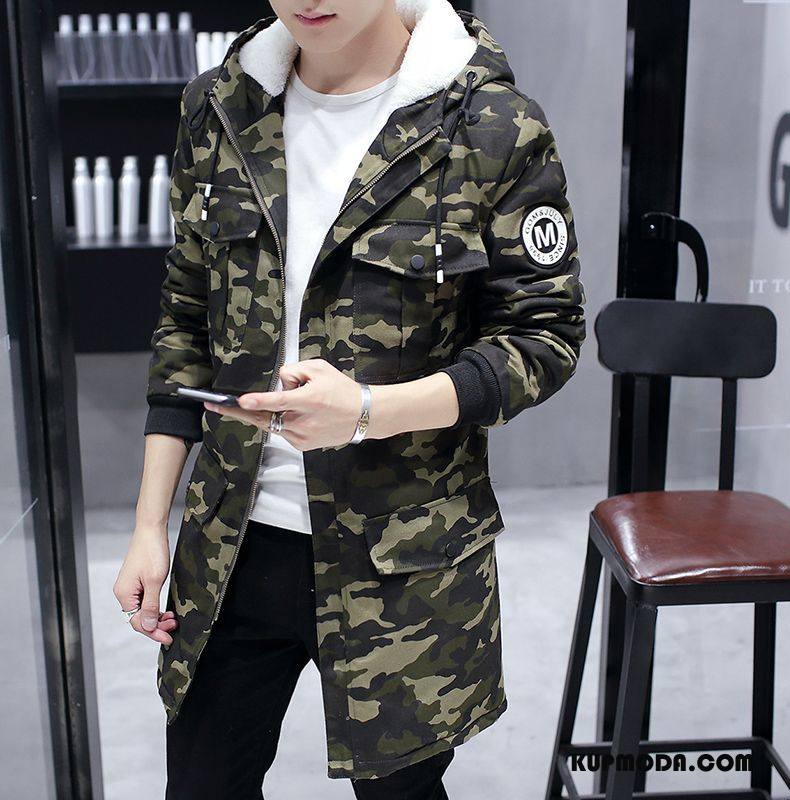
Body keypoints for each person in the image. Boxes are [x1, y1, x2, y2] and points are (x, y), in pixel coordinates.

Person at [113, 0, 587, 797]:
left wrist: (368, 411)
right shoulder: (218, 109)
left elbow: (544, 339)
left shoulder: (491, 126)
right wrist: (148, 524)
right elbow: (185, 318)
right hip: (232, 546)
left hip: (405, 558)